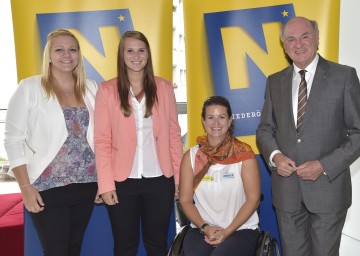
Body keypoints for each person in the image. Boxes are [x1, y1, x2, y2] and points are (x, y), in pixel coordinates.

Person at [256, 16, 360, 256]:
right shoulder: (275, 82)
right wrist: (275, 156)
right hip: (287, 193)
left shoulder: (343, 76)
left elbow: (357, 132)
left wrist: (323, 165)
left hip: (328, 192)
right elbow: (265, 129)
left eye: (305, 36)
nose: (298, 44)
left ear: (317, 38)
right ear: (284, 45)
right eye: (290, 39)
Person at [4, 29, 100, 255]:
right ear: (48, 55)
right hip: (47, 185)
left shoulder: (91, 88)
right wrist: (25, 188)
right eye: (59, 49)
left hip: (86, 183)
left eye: (72, 49)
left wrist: (103, 180)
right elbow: (12, 140)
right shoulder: (29, 87)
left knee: (73, 248)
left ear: (79, 55)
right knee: (56, 251)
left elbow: (101, 138)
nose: (67, 55)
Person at [94, 30, 183, 256]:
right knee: (125, 246)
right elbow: (102, 141)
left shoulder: (164, 88)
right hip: (121, 182)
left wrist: (179, 179)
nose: (136, 56)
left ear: (148, 54)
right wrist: (105, 185)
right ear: (121, 55)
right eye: (130, 50)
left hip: (160, 179)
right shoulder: (106, 90)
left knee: (157, 244)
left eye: (141, 50)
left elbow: (174, 135)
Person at [179, 96, 261, 256]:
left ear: (230, 121)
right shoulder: (191, 156)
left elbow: (253, 199)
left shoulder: (245, 154)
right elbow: (185, 200)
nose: (216, 123)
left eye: (221, 117)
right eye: (210, 118)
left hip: (240, 229)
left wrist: (227, 232)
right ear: (203, 121)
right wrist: (205, 227)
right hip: (202, 228)